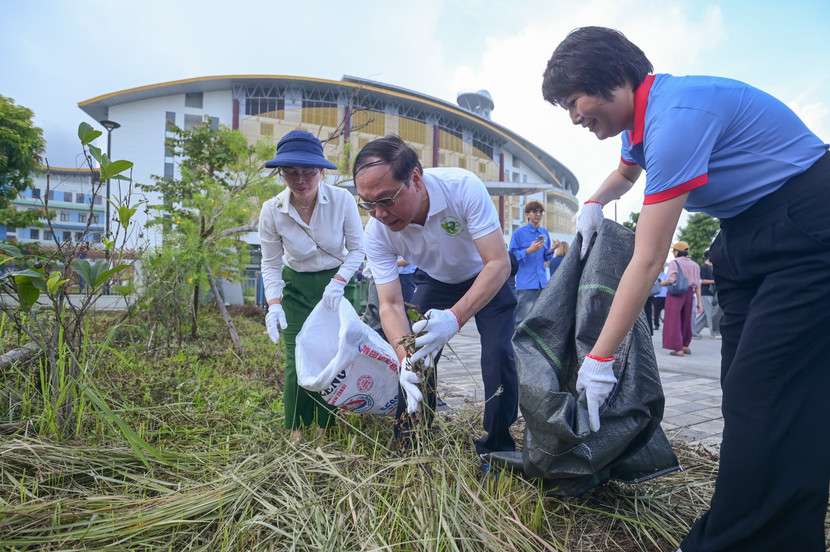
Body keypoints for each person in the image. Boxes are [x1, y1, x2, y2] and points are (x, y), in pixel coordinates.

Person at [542, 26, 829, 552]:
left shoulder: (676, 119)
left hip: (808, 222)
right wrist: (595, 202)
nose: (574, 117)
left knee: (766, 393)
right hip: (744, 231)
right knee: (747, 395)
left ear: (614, 79)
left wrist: (601, 359)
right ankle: (768, 531)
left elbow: (649, 258)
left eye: (573, 101)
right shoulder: (639, 123)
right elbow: (626, 173)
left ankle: (735, 540)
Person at [353, 135, 518, 459]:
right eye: (368, 204)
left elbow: (499, 263)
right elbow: (390, 304)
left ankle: (497, 450)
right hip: (435, 279)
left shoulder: (462, 188)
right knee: (416, 357)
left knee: (498, 354)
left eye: (386, 200)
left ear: (415, 178)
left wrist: (454, 318)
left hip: (486, 273)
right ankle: (411, 444)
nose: (379, 214)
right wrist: (403, 358)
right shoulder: (376, 232)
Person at [258, 130, 365, 442]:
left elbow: (357, 249)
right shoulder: (272, 210)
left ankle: (324, 428)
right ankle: (295, 429)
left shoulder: (342, 200)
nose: (300, 180)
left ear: (321, 170)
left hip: (336, 286)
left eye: (308, 171)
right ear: (281, 173)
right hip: (296, 287)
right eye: (290, 172)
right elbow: (271, 263)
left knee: (331, 356)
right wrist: (274, 304)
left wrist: (339, 281)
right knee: (297, 357)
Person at [508, 201, 559, 327]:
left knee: (541, 318)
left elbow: (546, 257)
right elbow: (511, 257)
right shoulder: (519, 233)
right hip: (526, 283)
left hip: (542, 282)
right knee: (521, 319)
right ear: (527, 214)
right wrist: (528, 250)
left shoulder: (544, 233)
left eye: (541, 211)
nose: (538, 214)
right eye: (534, 211)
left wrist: (552, 250)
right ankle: (517, 340)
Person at [660, 241, 702, 357]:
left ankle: (677, 348)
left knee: (673, 320)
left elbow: (671, 280)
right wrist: (699, 302)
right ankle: (685, 345)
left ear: (677, 252)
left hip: (676, 293)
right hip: (689, 293)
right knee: (686, 319)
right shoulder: (695, 265)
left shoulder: (674, 263)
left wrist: (662, 283)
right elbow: (698, 284)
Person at [695, 249, 723, 339]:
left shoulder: (712, 267)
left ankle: (694, 330)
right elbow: (701, 280)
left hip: (712, 293)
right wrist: (713, 281)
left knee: (705, 314)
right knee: (711, 313)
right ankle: (714, 332)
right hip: (705, 292)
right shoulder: (704, 267)